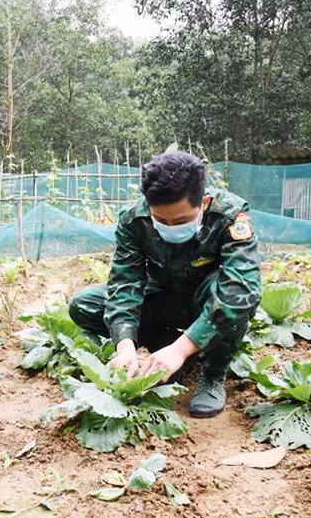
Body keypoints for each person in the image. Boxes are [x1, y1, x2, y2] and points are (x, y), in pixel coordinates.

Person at [68, 152, 262, 418]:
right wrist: (124, 344)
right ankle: (167, 345)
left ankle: (213, 372)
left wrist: (182, 348)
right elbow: (125, 282)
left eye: (181, 221)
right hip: (161, 296)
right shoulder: (134, 220)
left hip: (204, 304)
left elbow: (241, 290)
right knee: (85, 305)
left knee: (233, 299)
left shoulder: (229, 216)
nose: (171, 227)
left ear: (203, 203)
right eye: (162, 221)